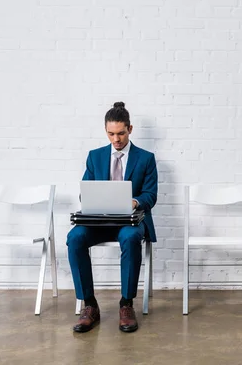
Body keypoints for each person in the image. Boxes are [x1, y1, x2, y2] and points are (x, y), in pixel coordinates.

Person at [67, 102, 158, 333]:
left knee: (130, 238)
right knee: (74, 237)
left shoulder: (146, 158)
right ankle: (89, 305)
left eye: (120, 133)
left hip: (129, 222)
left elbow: (151, 194)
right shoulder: (95, 156)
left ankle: (126, 304)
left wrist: (135, 202)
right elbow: (85, 189)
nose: (116, 139)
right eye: (110, 134)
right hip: (98, 221)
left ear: (130, 129)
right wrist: (92, 197)